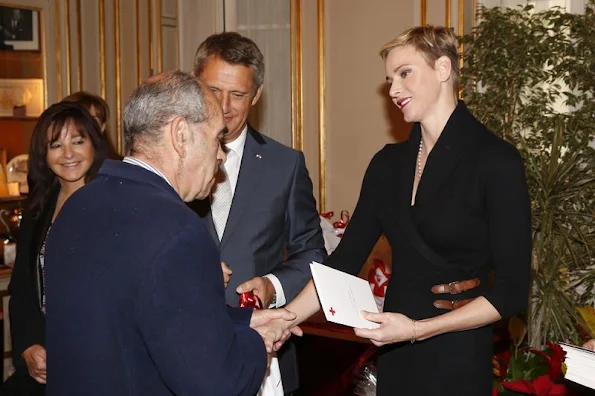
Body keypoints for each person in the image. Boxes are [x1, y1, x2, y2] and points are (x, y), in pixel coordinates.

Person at [262, 26, 532, 395]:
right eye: (390, 80)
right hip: (396, 351)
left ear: (442, 69)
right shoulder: (388, 164)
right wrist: (285, 318)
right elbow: (343, 261)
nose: (393, 90)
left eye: (405, 74)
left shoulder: (496, 162)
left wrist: (418, 329)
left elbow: (512, 292)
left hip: (456, 355)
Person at [44, 71, 296, 396]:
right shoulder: (178, 229)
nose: (221, 154)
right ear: (180, 135)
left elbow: (135, 317)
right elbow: (217, 385)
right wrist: (257, 342)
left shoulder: (77, 206)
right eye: (217, 137)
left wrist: (241, 321)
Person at [190, 32, 326, 395]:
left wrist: (273, 285)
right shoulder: (171, 160)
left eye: (237, 94)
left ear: (257, 95)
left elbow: (312, 253)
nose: (224, 106)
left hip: (260, 351)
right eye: (213, 90)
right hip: (181, 345)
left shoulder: (285, 165)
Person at [3, 102, 106, 396]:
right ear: (44, 155)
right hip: (47, 354)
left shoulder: (117, 202)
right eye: (56, 145)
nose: (69, 153)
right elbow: (22, 285)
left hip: (100, 357)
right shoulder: (38, 209)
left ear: (94, 144)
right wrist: (27, 345)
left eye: (78, 141)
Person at [61, 90, 121, 159]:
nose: (86, 125)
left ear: (102, 127)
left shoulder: (120, 167)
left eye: (92, 119)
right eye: (79, 119)